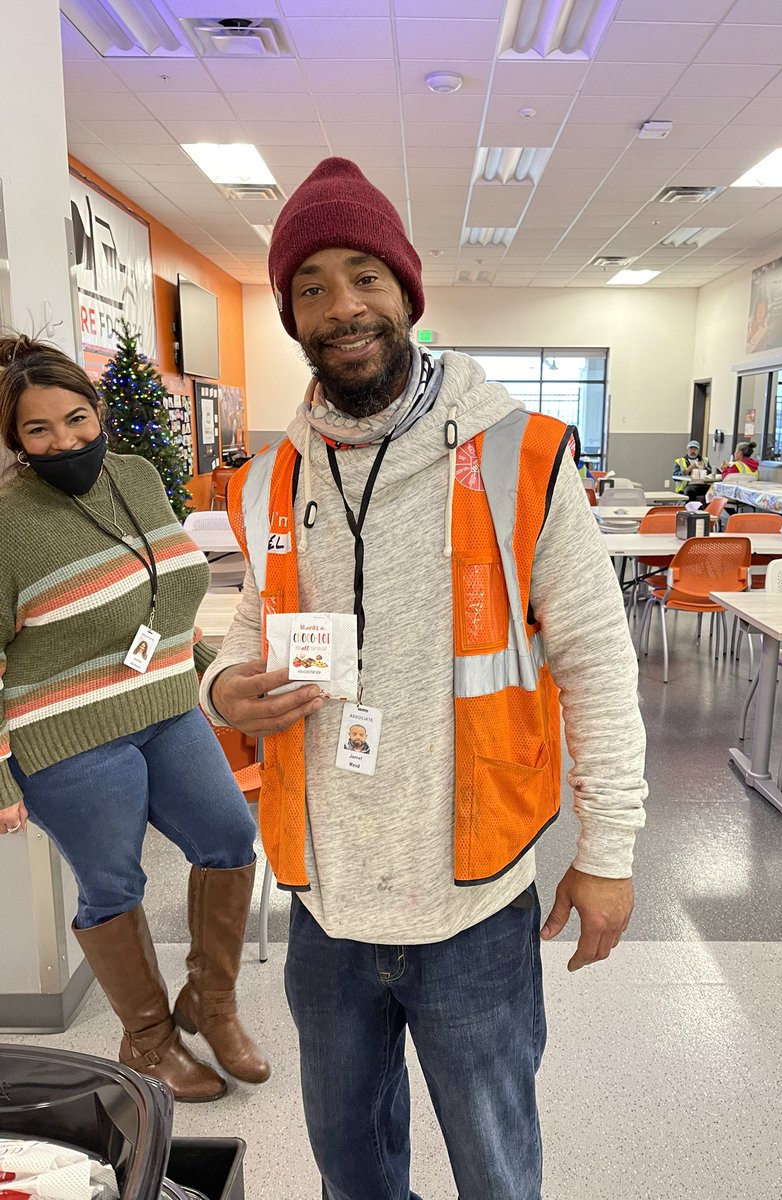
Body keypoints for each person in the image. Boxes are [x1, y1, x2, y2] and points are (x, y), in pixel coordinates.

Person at [201, 158, 647, 1200]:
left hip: (474, 903)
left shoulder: (517, 456)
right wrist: (226, 690)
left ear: (406, 291)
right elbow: (246, 630)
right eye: (311, 287)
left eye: (364, 275)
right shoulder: (269, 476)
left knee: (497, 1171)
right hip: (326, 903)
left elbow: (593, 658)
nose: (342, 306)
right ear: (290, 317)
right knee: (352, 1172)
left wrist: (611, 848)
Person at [0, 335, 268, 1102]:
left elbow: (167, 590)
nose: (65, 440)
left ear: (99, 411)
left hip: (166, 704)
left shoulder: (140, 477)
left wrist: (212, 667)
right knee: (112, 884)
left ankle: (210, 1006)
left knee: (227, 837)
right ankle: (148, 1041)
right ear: (14, 440)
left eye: (77, 418)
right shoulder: (8, 523)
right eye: (38, 430)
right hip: (66, 733)